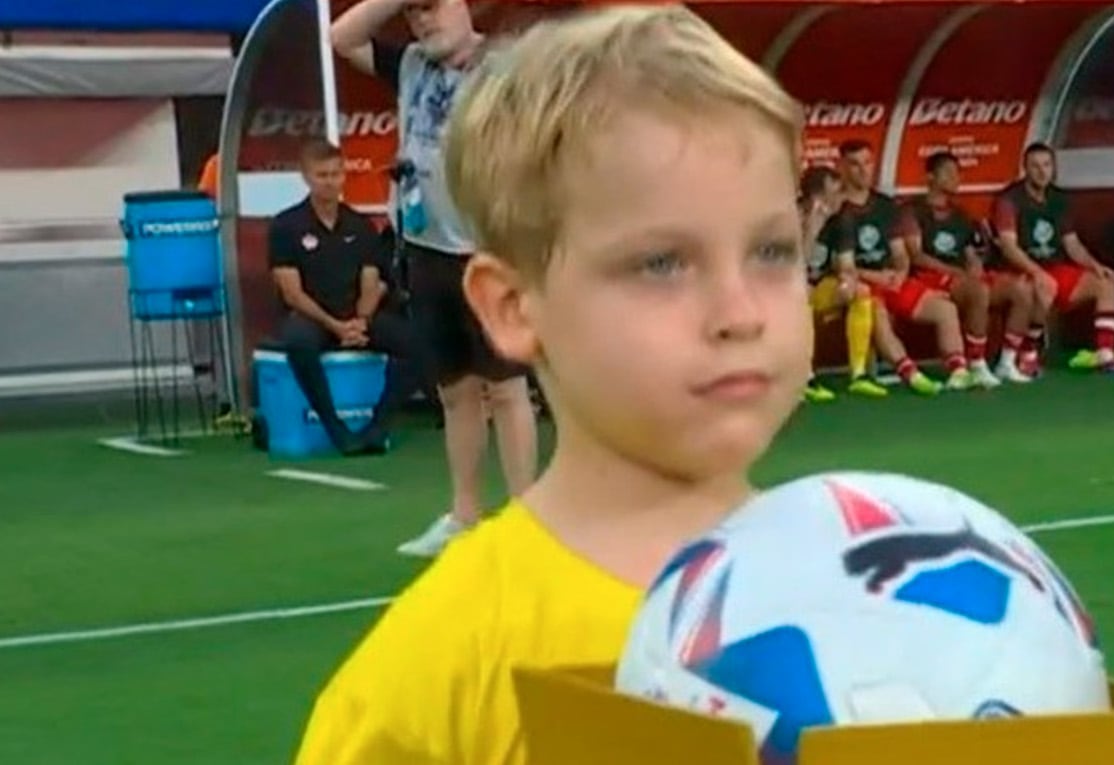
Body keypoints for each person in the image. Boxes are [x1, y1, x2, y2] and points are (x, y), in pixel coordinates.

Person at [292, 6, 813, 764]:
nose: (739, 312)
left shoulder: (892, 581)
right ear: (513, 306)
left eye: (771, 250)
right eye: (662, 262)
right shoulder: (442, 662)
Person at [330, 0, 540, 557]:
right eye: (414, 13)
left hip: (487, 249)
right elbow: (341, 36)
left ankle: (527, 517)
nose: (424, 22)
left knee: (506, 385)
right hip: (426, 249)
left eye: (434, 8)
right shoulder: (410, 65)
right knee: (455, 390)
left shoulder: (502, 68)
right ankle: (464, 514)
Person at [269, 140, 429, 455]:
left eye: (336, 174)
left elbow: (372, 280)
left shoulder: (360, 225)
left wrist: (360, 321)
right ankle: (336, 429)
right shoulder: (286, 225)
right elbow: (292, 292)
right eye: (322, 175)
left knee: (419, 343)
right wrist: (335, 326)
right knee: (298, 342)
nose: (330, 182)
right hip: (313, 318)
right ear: (306, 177)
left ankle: (377, 428)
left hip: (356, 317)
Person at [829, 139, 969, 394]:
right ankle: (910, 372)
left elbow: (900, 252)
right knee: (877, 311)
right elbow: (840, 265)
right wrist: (878, 277)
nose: (863, 170)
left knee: (945, 309)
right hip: (859, 282)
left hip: (891, 278)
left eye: (867, 163)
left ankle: (958, 370)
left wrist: (900, 274)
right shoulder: (836, 208)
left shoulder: (885, 205)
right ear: (842, 168)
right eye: (855, 165)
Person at [898, 152, 1033, 386]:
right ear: (930, 177)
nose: (956, 177)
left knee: (1021, 289)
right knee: (978, 290)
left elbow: (971, 251)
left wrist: (974, 266)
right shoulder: (912, 210)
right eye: (948, 173)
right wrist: (957, 273)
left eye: (958, 172)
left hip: (961, 278)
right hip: (929, 277)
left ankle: (1006, 363)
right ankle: (977, 364)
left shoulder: (960, 214)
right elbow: (917, 256)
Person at [991, 142, 1114, 374]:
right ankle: (1028, 353)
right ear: (1025, 169)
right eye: (1035, 166)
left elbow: (1072, 244)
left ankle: (1105, 355)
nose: (1042, 171)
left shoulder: (1059, 198)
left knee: (1105, 283)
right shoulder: (1010, 199)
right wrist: (1037, 272)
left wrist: (1096, 266)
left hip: (1053, 267)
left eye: (1046, 165)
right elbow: (1008, 247)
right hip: (1019, 270)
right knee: (1046, 287)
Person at [800, 164, 887, 402]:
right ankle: (804, 379)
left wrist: (847, 277)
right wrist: (813, 227)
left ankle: (858, 376)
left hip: (818, 287)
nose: (842, 197)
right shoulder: (791, 216)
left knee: (860, 291)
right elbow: (795, 266)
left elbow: (846, 262)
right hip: (783, 292)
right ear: (818, 196)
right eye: (836, 192)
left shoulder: (842, 219)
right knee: (800, 296)